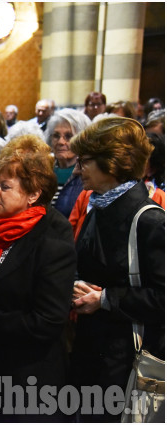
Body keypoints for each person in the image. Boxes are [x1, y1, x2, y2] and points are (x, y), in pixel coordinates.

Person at [0, 136, 76, 422]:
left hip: (28, 381)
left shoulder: (51, 238)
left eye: (4, 187)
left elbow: (47, 322)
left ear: (33, 195)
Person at [69, 117, 164, 422]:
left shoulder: (150, 221)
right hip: (91, 353)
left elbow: (162, 299)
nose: (76, 169)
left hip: (125, 362)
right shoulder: (99, 206)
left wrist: (105, 298)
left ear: (111, 163)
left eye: (84, 162)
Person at [45, 109, 92, 217]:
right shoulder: (44, 171)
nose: (61, 142)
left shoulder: (87, 175)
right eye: (56, 136)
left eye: (68, 136)